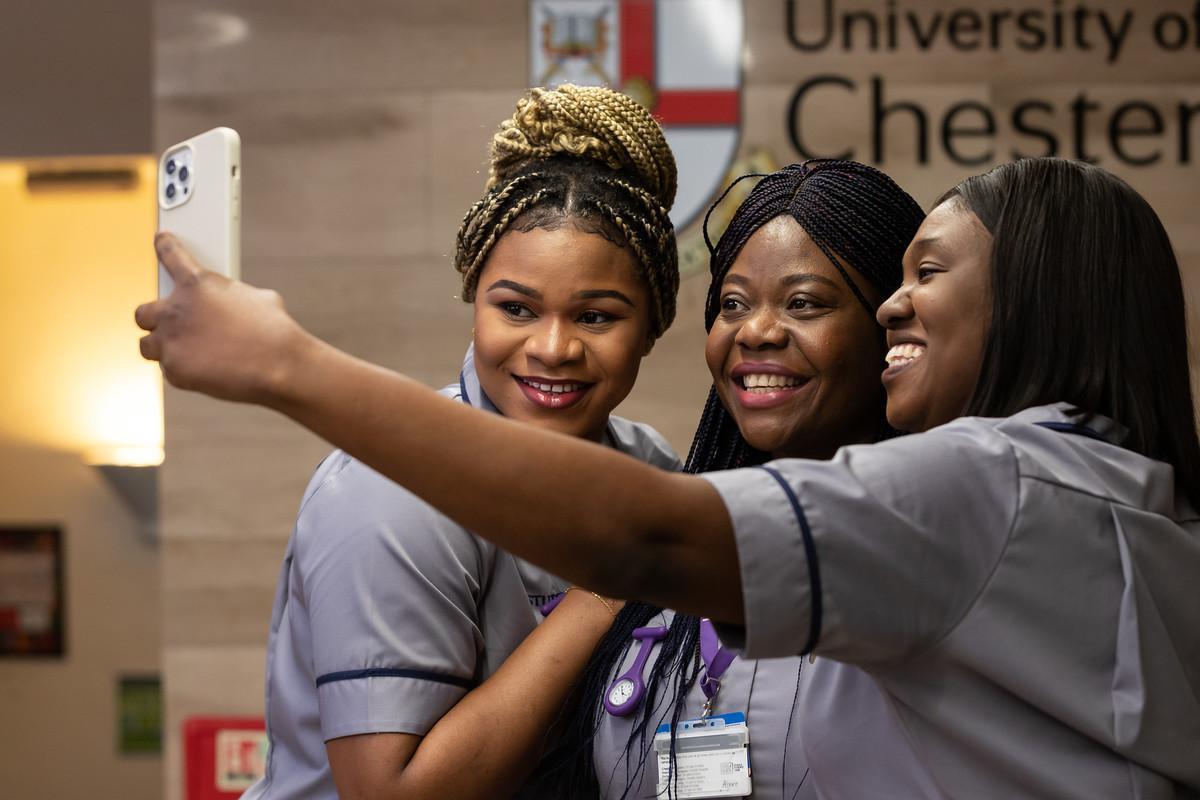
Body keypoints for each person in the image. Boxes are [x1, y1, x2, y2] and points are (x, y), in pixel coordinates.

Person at [139, 158, 1200, 796]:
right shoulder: (1086, 493)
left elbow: (651, 540)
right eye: (732, 301)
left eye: (919, 278)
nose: (891, 313)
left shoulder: (978, 487)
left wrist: (287, 364)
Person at [240, 83, 681, 800]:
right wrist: (610, 585)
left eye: (597, 317)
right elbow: (393, 793)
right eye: (516, 308)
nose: (553, 347)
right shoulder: (392, 485)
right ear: (474, 300)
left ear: (652, 328)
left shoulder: (651, 468)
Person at [528, 160, 924, 799]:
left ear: (892, 325)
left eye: (803, 303)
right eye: (733, 303)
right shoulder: (672, 552)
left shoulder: (930, 565)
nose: (757, 331)